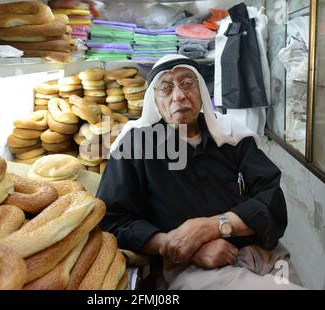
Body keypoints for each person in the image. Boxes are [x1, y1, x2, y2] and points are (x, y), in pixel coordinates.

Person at [96, 55, 303, 289]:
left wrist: (210, 227)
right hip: (193, 268)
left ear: (201, 90)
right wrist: (179, 246)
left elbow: (271, 199)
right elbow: (113, 220)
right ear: (154, 100)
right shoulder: (136, 146)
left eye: (187, 83)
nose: (179, 95)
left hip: (265, 254)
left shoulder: (232, 136)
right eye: (165, 88)